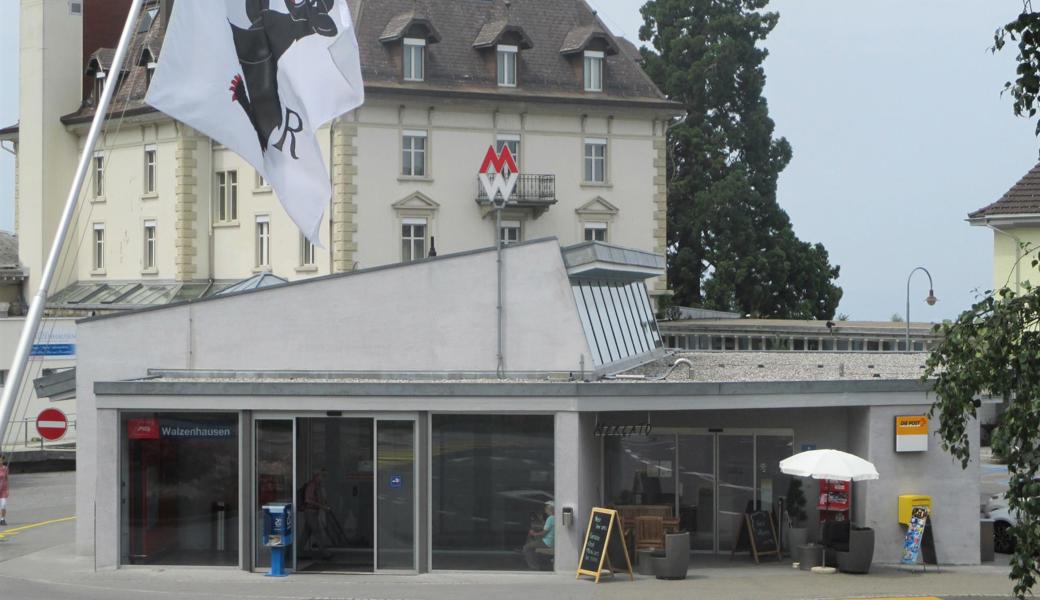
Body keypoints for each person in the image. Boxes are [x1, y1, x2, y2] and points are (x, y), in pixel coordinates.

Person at [298, 468, 331, 559]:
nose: (323, 478)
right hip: (310, 511)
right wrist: (322, 506)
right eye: (322, 476)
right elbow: (308, 500)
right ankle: (324, 553)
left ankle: (297, 551)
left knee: (306, 533)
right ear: (317, 476)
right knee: (317, 532)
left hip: (312, 511)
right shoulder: (312, 485)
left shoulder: (317, 485)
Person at [523, 500, 555, 570]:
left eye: (546, 508)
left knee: (526, 547)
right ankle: (537, 562)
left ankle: (534, 567)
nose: (545, 509)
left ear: (551, 509)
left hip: (547, 542)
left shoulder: (550, 518)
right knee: (533, 543)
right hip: (551, 541)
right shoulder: (555, 518)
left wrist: (534, 533)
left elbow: (544, 533)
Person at [0, 455, 8, 526]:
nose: (0, 461)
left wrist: (8, 489)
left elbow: (6, 479)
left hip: (3, 490)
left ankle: (2, 519)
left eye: (1, 460)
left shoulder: (5, 468)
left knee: (3, 505)